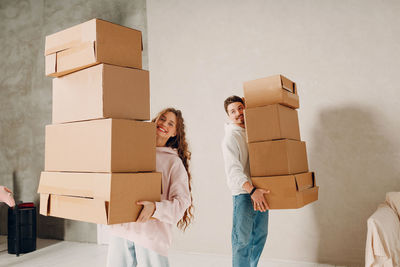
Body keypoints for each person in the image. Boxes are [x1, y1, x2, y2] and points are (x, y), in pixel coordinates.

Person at [107, 107, 193, 267]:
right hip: (121, 232)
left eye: (171, 123)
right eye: (162, 118)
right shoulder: (132, 151)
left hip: (150, 237)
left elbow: (181, 204)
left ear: (175, 133)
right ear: (154, 121)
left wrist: (154, 208)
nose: (164, 124)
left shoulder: (173, 163)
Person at [221, 95, 270, 267]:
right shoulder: (231, 137)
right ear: (228, 116)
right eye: (232, 111)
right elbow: (233, 171)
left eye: (240, 108)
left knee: (259, 237)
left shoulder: (253, 132)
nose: (238, 113)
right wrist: (251, 191)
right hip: (244, 194)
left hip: (261, 192)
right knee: (242, 241)